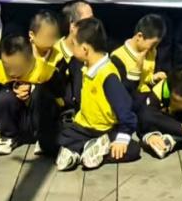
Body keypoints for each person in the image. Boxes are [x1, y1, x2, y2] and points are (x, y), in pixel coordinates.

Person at [55, 17, 141, 170]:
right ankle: (82, 151)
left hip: (106, 130)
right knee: (56, 137)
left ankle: (88, 152)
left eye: (74, 44)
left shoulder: (108, 75)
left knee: (133, 149)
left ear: (85, 49)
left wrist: (122, 138)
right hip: (82, 127)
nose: (71, 47)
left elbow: (125, 109)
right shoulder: (85, 67)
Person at [0, 18, 66, 157]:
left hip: (41, 122)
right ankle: (7, 136)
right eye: (7, 67)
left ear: (31, 60)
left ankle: (43, 139)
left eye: (18, 68)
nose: (13, 73)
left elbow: (61, 98)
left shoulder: (45, 72)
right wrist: (10, 88)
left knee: (40, 94)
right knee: (4, 95)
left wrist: (33, 89)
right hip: (15, 122)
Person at [111, 14, 167, 101]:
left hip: (148, 96)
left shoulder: (151, 51)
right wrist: (137, 69)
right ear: (139, 36)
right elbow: (124, 92)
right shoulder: (117, 58)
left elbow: (145, 80)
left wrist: (153, 79)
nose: (154, 48)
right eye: (153, 44)